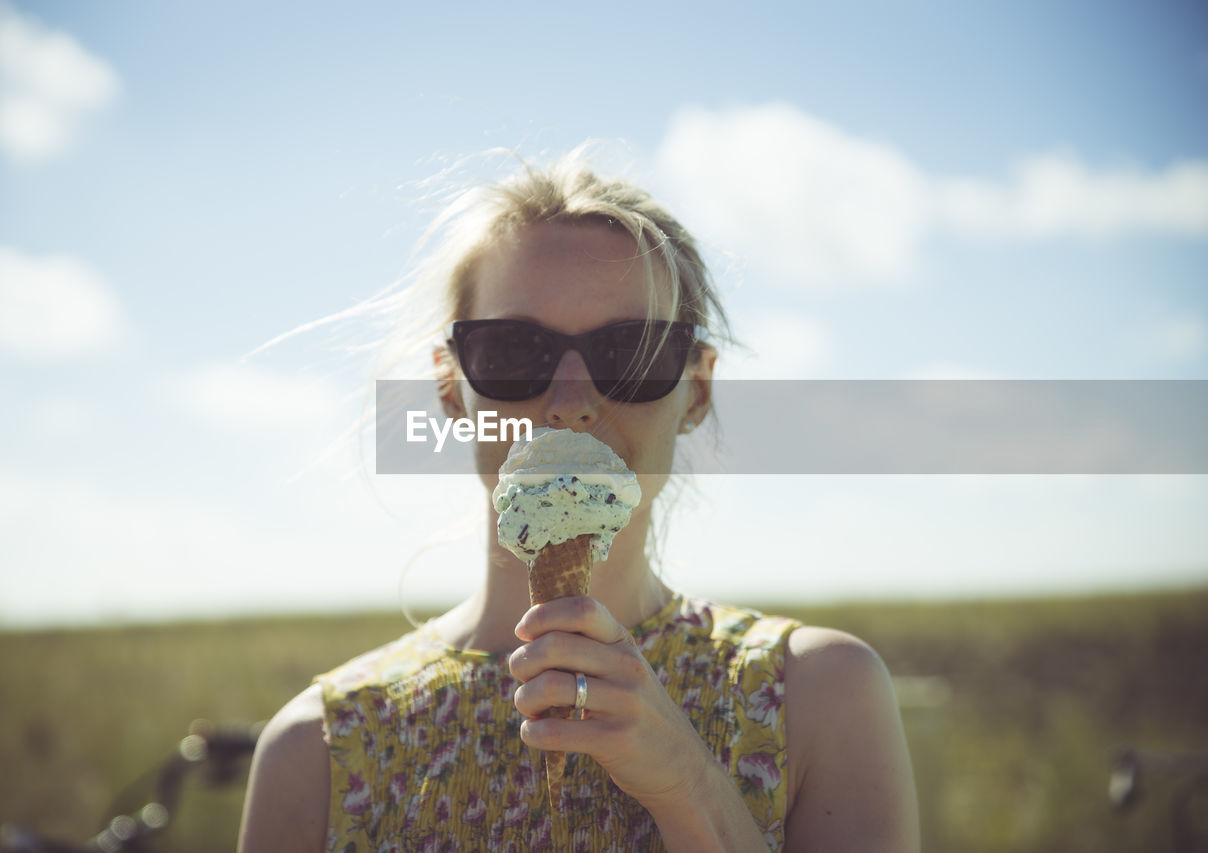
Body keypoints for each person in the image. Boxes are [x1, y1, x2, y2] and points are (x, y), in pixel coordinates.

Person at [237, 149, 920, 852]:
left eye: (632, 352)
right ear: (451, 389)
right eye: (511, 350)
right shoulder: (317, 749)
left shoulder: (820, 696)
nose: (571, 403)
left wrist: (689, 785)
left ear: (699, 389)